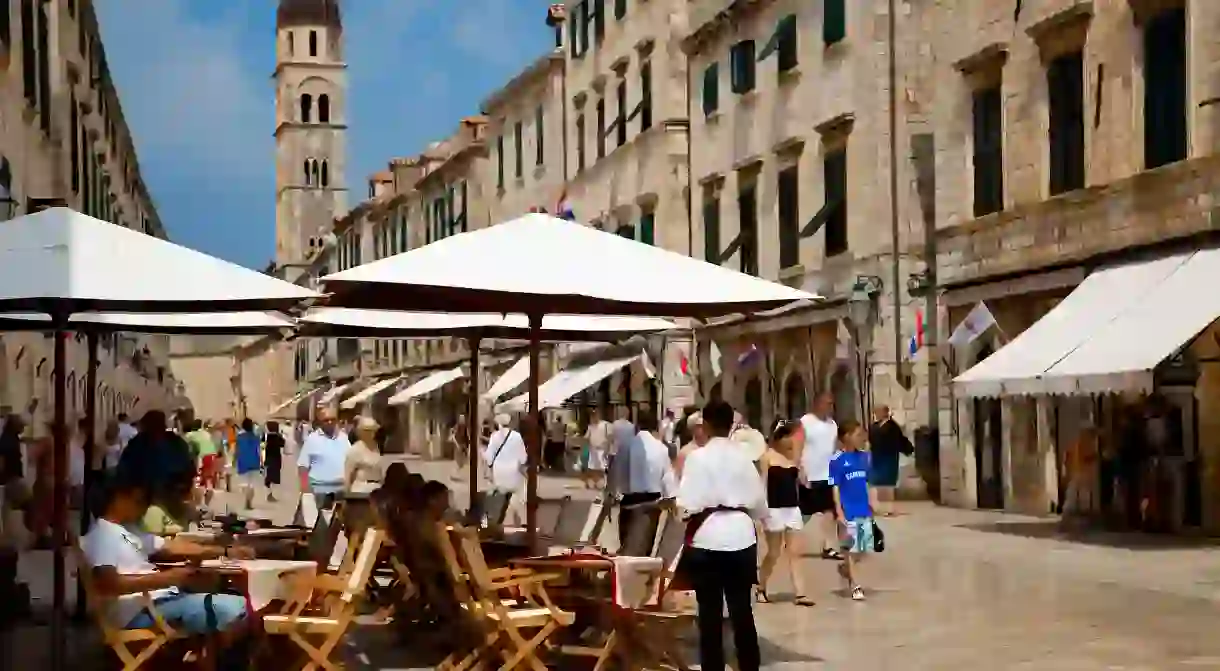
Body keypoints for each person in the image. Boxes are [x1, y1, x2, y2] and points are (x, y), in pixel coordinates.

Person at [80, 473, 255, 664]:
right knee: (241, 608)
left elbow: (170, 547)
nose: (144, 505)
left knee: (232, 599)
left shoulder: (125, 531)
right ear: (118, 499)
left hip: (159, 604)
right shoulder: (103, 536)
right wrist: (168, 579)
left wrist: (225, 551)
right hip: (143, 613)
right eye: (139, 499)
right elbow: (108, 584)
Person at [676, 400, 765, 671]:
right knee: (742, 611)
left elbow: (686, 504)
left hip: (708, 538)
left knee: (709, 615)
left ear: (707, 424)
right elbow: (759, 504)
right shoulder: (744, 458)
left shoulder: (697, 458)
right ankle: (749, 665)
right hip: (741, 536)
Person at [757, 420, 812, 606]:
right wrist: (761, 512)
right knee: (774, 552)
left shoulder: (793, 459)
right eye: (785, 436)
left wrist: (800, 463)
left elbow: (805, 483)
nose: (789, 441)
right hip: (773, 509)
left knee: (795, 552)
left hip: (792, 508)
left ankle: (800, 593)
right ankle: (761, 586)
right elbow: (762, 485)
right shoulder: (767, 457)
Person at [613, 409, 677, 551]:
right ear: (656, 427)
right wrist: (671, 498)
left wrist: (614, 493)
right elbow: (668, 478)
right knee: (645, 549)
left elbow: (616, 472)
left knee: (626, 546)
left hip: (628, 502)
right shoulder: (661, 448)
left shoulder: (625, 446)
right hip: (651, 505)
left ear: (637, 426)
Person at [830, 420, 880, 602]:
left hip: (863, 507)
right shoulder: (837, 460)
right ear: (846, 437)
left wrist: (874, 500)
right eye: (858, 434)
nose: (861, 438)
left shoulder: (865, 457)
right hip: (847, 508)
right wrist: (839, 511)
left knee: (864, 548)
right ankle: (855, 585)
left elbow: (869, 481)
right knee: (851, 548)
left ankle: (845, 569)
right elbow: (835, 487)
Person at [798, 393, 842, 560]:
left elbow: (833, 448)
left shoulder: (832, 425)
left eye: (831, 404)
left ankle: (828, 546)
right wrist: (800, 470)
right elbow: (798, 446)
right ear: (817, 404)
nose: (830, 407)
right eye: (826, 403)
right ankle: (785, 540)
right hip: (809, 474)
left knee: (829, 511)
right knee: (804, 513)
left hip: (828, 474)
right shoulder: (805, 422)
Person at [297, 407, 351, 510]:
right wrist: (305, 489)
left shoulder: (344, 438)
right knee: (321, 522)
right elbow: (302, 466)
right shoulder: (312, 439)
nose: (330, 422)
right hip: (320, 491)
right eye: (326, 420)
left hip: (341, 490)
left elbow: (350, 460)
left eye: (332, 419)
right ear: (320, 422)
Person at [868, 405, 914, 516]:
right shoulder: (874, 426)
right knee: (876, 482)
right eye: (875, 412)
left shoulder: (892, 427)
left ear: (885, 412)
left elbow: (898, 441)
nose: (876, 414)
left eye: (878, 411)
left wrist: (906, 450)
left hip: (889, 458)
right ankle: (878, 507)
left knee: (888, 483)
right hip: (877, 457)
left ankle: (888, 508)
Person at [483, 414, 528, 526]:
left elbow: (489, 457)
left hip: (499, 472)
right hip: (513, 472)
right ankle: (523, 520)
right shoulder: (517, 436)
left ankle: (499, 519)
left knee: (500, 494)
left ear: (498, 424)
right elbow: (523, 458)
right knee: (520, 492)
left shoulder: (494, 436)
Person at [183, 420, 219, 506]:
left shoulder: (190, 435)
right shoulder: (206, 433)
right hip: (211, 456)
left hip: (200, 457)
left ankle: (199, 504)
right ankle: (207, 500)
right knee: (208, 478)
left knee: (198, 479)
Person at [345, 416, 384, 492]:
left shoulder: (377, 448)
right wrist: (347, 495)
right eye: (367, 430)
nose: (371, 433)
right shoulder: (355, 450)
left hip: (377, 489)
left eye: (373, 430)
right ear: (361, 432)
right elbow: (348, 475)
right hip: (360, 489)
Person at [234, 419, 262, 510]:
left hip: (243, 461)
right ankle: (249, 502)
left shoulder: (239, 437)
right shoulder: (256, 437)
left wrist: (234, 460)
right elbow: (259, 450)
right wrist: (261, 462)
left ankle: (247, 500)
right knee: (252, 484)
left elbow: (237, 450)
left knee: (245, 483)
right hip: (254, 461)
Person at [582, 409, 611, 490]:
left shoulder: (605, 425)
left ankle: (605, 483)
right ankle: (595, 482)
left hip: (602, 450)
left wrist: (607, 448)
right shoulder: (591, 427)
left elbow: (609, 437)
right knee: (593, 468)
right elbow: (586, 438)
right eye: (592, 417)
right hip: (593, 449)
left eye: (594, 416)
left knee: (603, 468)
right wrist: (585, 449)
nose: (593, 419)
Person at [674, 411, 708, 478]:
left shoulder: (711, 448)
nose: (704, 429)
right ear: (692, 428)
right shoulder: (685, 452)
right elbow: (679, 476)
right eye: (700, 426)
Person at [263, 421, 286, 502]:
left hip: (269, 458)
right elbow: (283, 444)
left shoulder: (267, 437)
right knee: (272, 478)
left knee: (269, 477)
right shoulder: (277, 436)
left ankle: (270, 494)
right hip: (275, 459)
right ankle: (270, 495)